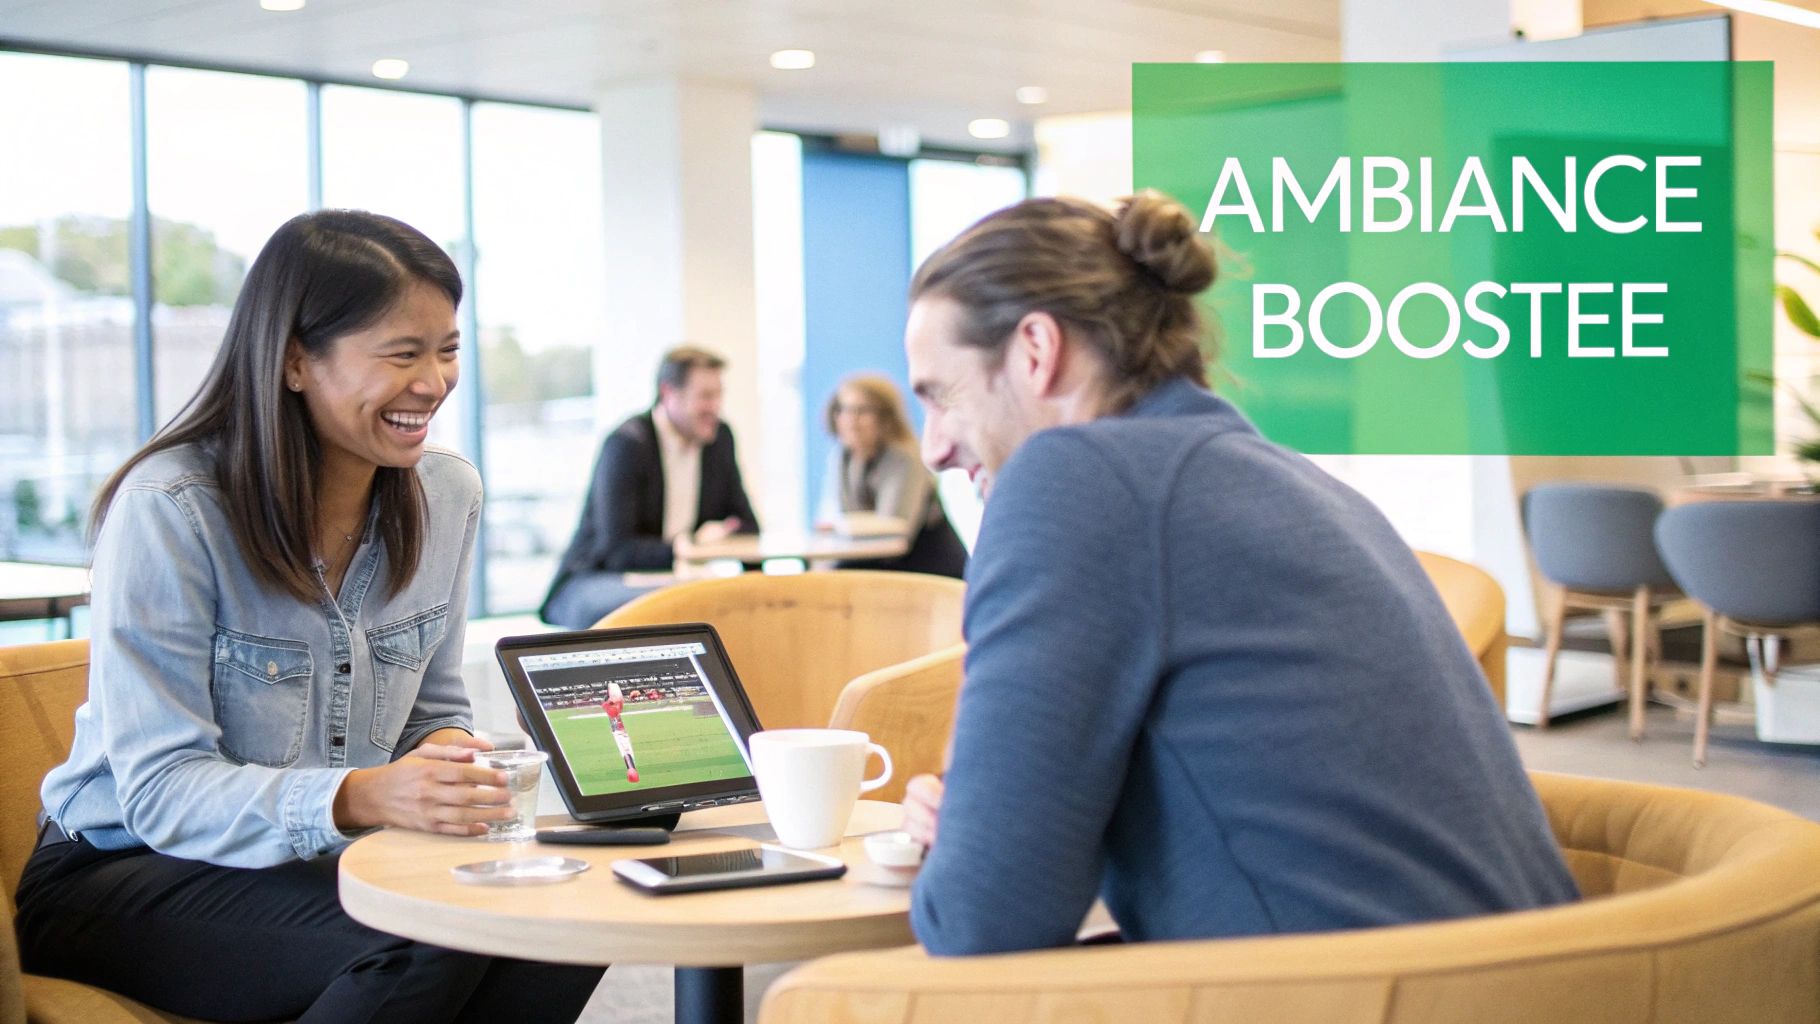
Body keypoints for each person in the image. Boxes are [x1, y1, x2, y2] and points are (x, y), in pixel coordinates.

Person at [897, 192, 1579, 956]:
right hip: (1515, 980)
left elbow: (983, 922)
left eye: (940, 395)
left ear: (1034, 349)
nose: (934, 447)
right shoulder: (1292, 484)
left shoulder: (1076, 478)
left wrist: (968, 834)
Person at [18, 210, 605, 1022]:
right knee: (424, 932)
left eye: (447, 349)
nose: (433, 382)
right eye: (402, 353)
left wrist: (449, 765)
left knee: (569, 910)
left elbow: (432, 713)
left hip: (322, 863)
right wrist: (365, 797)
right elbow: (159, 791)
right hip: (120, 873)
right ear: (296, 359)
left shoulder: (447, 494)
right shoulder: (172, 508)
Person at [542, 346, 760, 628]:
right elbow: (617, 551)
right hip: (596, 578)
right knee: (674, 606)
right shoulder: (627, 444)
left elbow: (748, 526)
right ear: (669, 393)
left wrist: (757, 588)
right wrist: (687, 547)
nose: (715, 407)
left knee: (734, 603)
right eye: (706, 396)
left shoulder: (719, 439)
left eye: (719, 395)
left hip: (675, 580)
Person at [815, 373, 967, 578]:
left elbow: (893, 529)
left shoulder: (904, 457)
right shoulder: (843, 457)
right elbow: (845, 522)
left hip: (928, 568)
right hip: (881, 564)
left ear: (885, 418)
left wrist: (845, 527)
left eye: (861, 411)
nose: (851, 420)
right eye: (843, 410)